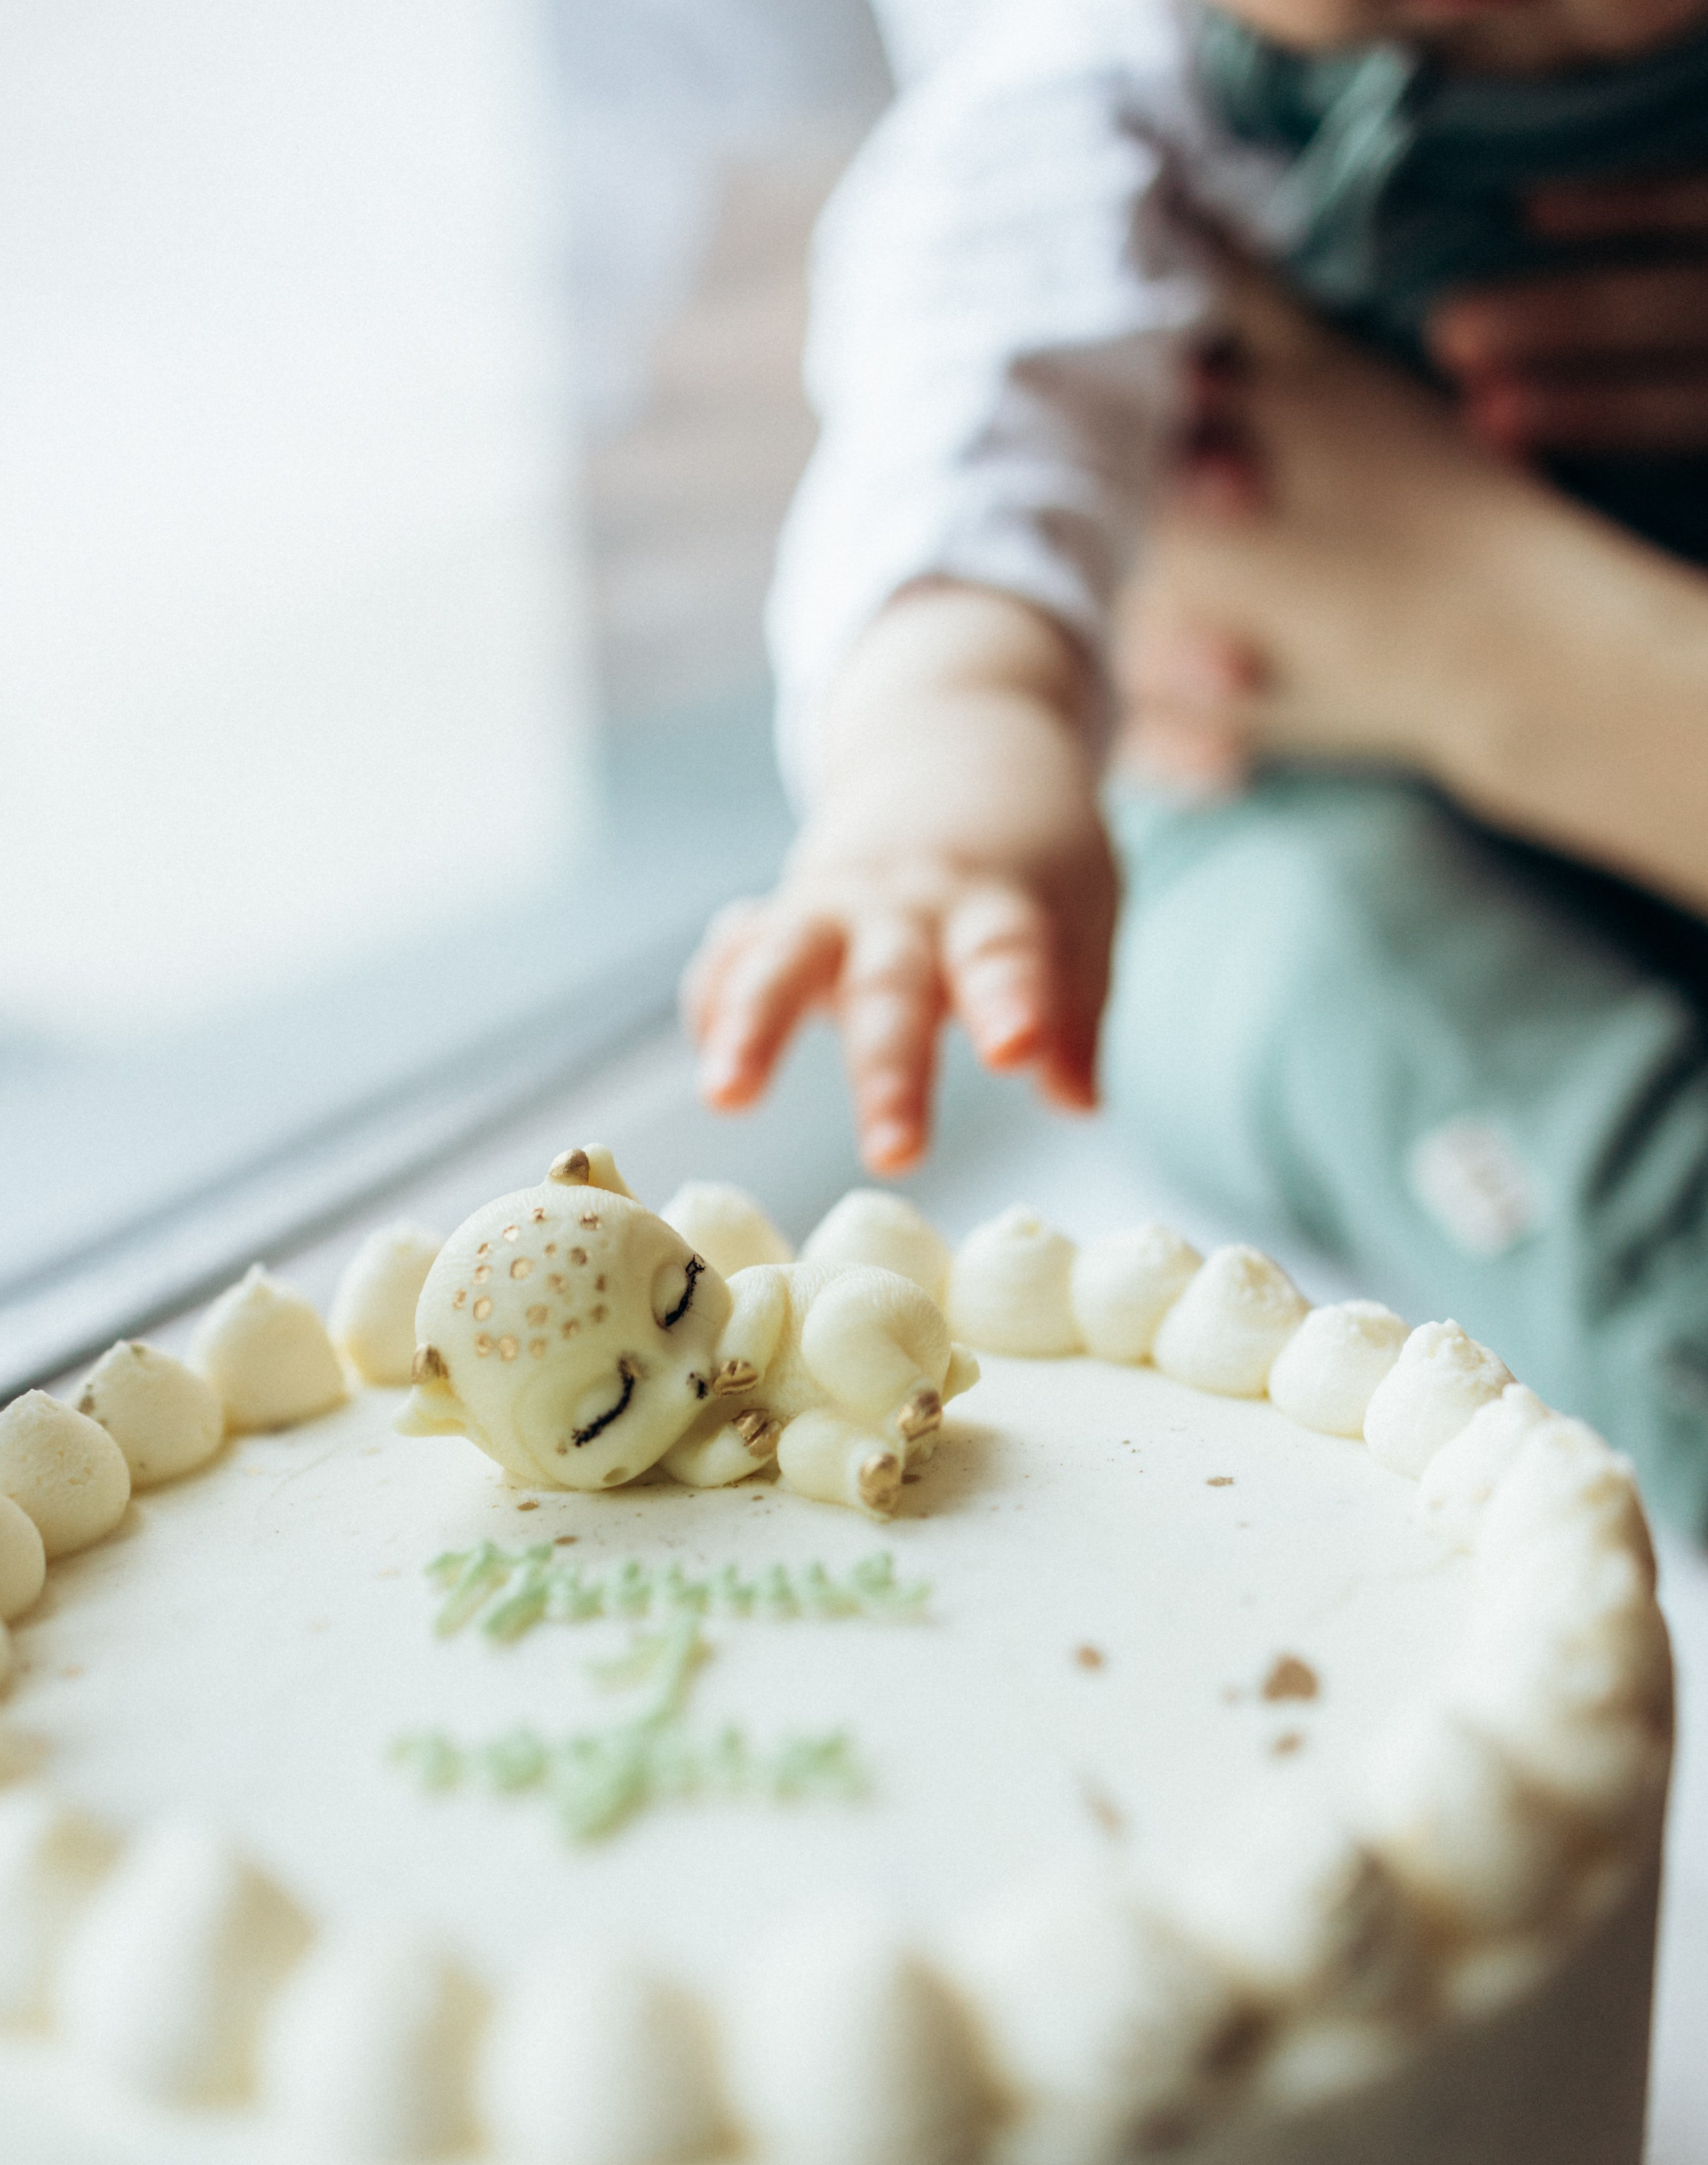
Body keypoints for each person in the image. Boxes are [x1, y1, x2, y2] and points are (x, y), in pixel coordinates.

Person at [681, 0, 1708, 1525]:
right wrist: (944, 773)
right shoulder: (1096, 97)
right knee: (1373, 981)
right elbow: (967, 440)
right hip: (1291, 803)